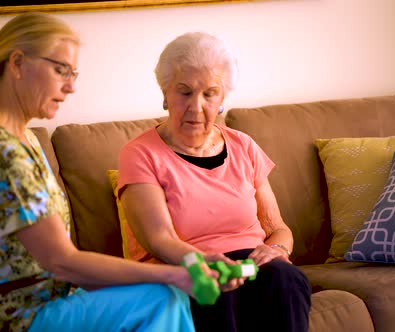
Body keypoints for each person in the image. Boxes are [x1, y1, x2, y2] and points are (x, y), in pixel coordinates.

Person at [0, 12, 197, 332]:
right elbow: (63, 262)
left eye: (74, 74)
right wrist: (172, 272)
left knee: (166, 295)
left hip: (47, 300)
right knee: (162, 297)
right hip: (14, 319)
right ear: (17, 64)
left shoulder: (22, 138)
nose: (71, 87)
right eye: (61, 71)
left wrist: (180, 271)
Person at [117, 32, 312, 332]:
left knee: (286, 279)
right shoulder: (140, 154)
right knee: (214, 292)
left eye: (209, 93)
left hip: (251, 266)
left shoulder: (243, 145)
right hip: (183, 269)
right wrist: (207, 264)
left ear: (222, 99)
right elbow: (159, 239)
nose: (197, 106)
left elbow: (277, 229)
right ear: (165, 93)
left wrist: (278, 251)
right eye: (184, 92)